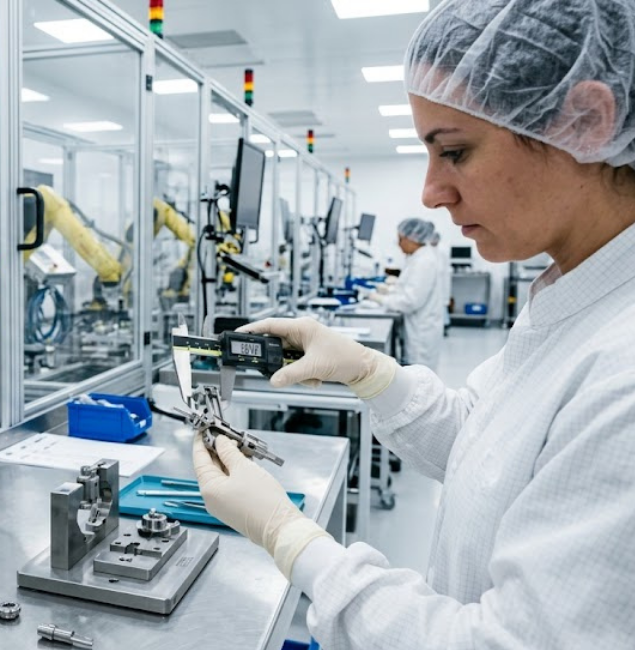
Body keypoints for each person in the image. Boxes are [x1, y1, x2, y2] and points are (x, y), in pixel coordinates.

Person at [193, 1, 635, 648]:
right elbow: (485, 446)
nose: (430, 193)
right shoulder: (574, 296)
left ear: (587, 121)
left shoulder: (623, 369)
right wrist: (371, 372)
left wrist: (291, 539)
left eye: (454, 151)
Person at [367, 218, 444, 368]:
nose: (398, 244)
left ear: (412, 239)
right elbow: (409, 289)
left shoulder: (424, 262)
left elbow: (410, 301)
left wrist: (381, 299)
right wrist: (390, 290)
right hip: (417, 327)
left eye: (400, 239)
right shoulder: (417, 258)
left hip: (421, 333)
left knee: (420, 375)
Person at [428, 230, 452, 335]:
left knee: (442, 305)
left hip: (442, 282)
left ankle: (444, 326)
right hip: (435, 282)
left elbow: (442, 268)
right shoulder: (429, 250)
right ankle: (441, 326)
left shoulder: (442, 250)